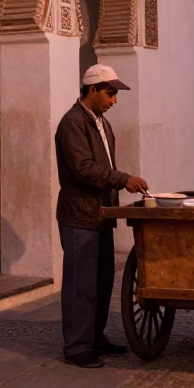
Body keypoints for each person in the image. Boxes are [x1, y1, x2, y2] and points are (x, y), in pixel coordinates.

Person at [54, 63, 148, 368]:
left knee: (102, 280)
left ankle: (95, 337)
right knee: (80, 284)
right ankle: (77, 346)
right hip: (80, 215)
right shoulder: (72, 123)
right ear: (92, 90)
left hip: (101, 215)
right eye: (110, 93)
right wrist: (122, 179)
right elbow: (83, 168)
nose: (114, 100)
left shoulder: (101, 123)